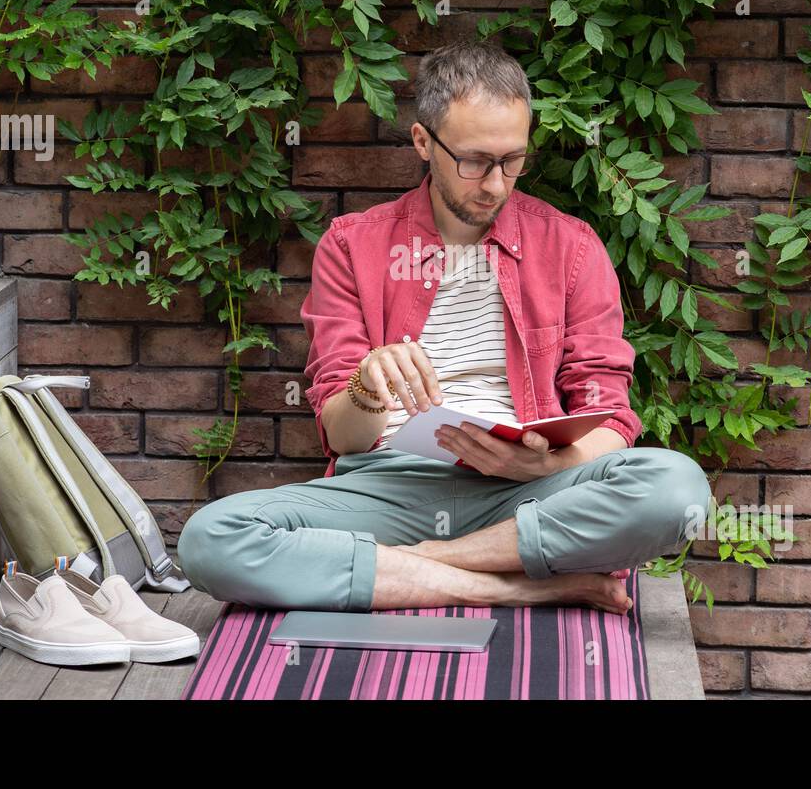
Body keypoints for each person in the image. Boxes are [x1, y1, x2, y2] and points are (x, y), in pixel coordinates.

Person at [178, 39, 711, 615]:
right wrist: (366, 384)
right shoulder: (352, 245)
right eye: (476, 161)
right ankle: (509, 584)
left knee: (676, 490)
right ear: (422, 142)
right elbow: (343, 436)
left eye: (513, 160)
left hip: (529, 494)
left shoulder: (571, 246)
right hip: (386, 490)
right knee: (211, 538)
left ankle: (422, 566)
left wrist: (551, 464)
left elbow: (611, 411)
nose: (497, 184)